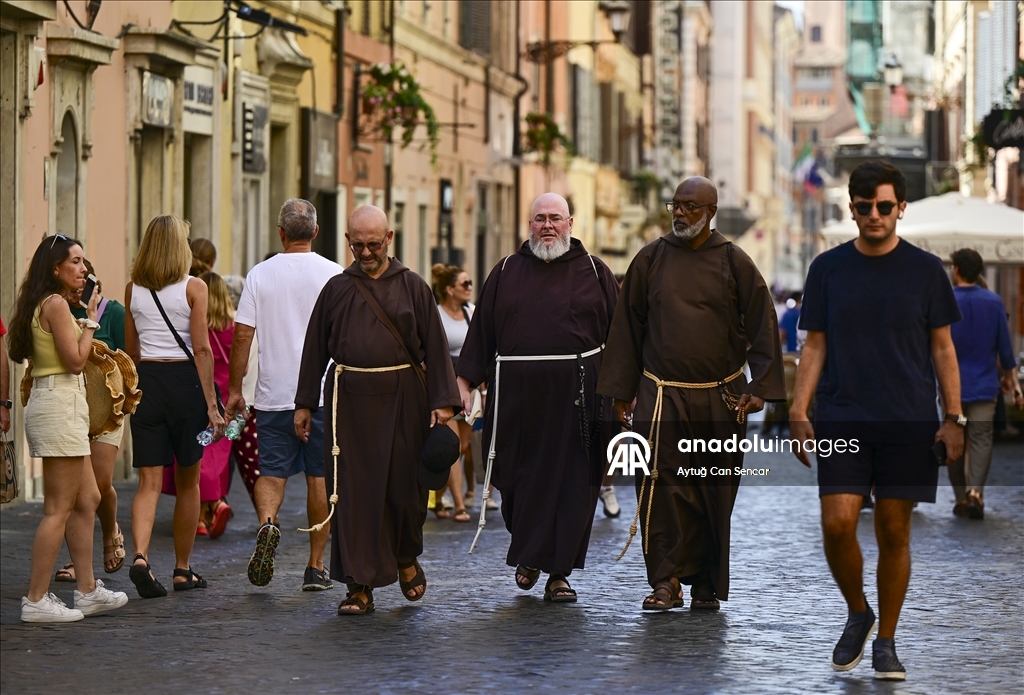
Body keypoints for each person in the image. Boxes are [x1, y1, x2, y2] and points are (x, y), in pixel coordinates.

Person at [790, 161, 964, 681]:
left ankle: (885, 639)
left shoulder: (927, 271)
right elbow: (814, 344)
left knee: (893, 530)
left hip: (909, 420)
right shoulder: (827, 268)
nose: (873, 215)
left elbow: (944, 349)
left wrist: (953, 418)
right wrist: (799, 409)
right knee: (837, 523)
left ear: (900, 209)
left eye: (883, 206)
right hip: (843, 415)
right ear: (852, 209)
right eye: (863, 207)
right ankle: (858, 611)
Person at [598, 177, 785, 612]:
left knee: (711, 491)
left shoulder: (735, 261)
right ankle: (666, 580)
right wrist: (622, 393)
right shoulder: (651, 259)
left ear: (711, 212)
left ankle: (704, 579)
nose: (679, 213)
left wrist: (761, 388)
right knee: (660, 487)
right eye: (675, 205)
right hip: (660, 395)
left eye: (689, 206)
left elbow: (763, 323)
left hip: (720, 397)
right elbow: (627, 326)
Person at [295, 205, 460, 615]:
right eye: (357, 244)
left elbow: (437, 348)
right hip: (347, 404)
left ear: (389, 239)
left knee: (405, 490)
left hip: (405, 399)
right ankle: (359, 585)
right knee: (352, 495)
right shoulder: (336, 288)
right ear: (348, 240)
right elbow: (314, 347)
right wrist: (303, 403)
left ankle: (405, 556)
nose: (365, 252)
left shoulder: (414, 287)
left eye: (372, 244)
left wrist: (442, 403)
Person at [457, 193, 619, 603]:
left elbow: (621, 340)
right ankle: (529, 554)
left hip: (580, 402)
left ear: (570, 223)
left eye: (555, 219)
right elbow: (481, 336)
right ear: (528, 225)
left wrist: (625, 393)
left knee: (574, 487)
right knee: (518, 479)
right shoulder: (506, 271)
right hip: (518, 401)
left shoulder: (596, 273)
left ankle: (559, 573)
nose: (547, 226)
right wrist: (464, 383)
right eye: (539, 219)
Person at [8, 234, 128, 622]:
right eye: (74, 262)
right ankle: (36, 599)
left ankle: (88, 590)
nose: (83, 269)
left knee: (88, 497)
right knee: (58, 508)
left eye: (83, 261)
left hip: (62, 403)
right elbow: (76, 361)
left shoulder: (48, 304)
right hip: (59, 402)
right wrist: (90, 320)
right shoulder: (57, 304)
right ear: (55, 268)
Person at [225, 198, 343, 592]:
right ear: (315, 232)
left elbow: (243, 334)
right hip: (323, 394)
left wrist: (236, 388)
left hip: (274, 394)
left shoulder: (260, 274)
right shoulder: (334, 274)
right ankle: (315, 566)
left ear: (280, 233)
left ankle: (268, 524)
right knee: (319, 476)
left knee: (272, 471)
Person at [126, 216, 226, 598]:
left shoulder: (133, 289)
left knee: (148, 483)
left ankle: (140, 557)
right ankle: (182, 569)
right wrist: (211, 405)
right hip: (185, 385)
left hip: (148, 383)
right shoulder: (194, 287)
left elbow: (132, 352)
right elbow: (201, 349)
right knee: (189, 481)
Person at [54, 259, 129, 582]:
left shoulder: (113, 313)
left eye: (82, 285)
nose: (76, 293)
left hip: (107, 412)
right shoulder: (58, 313)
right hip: (71, 411)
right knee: (75, 491)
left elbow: (128, 361)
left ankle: (110, 526)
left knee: (99, 485)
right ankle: (77, 561)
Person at [948, 248, 1022, 519]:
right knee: (980, 439)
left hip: (950, 387)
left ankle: (959, 497)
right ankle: (975, 493)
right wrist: (1012, 382)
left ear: (956, 269)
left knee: (954, 439)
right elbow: (1005, 348)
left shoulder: (946, 300)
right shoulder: (993, 302)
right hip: (983, 385)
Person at [161, 271, 235, 538]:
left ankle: (202, 518)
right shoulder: (232, 329)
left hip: (197, 395)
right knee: (217, 458)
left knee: (197, 458)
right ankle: (214, 504)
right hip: (225, 400)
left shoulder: (194, 326)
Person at [431, 263, 475, 523]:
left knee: (463, 448)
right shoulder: (436, 315)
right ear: (449, 290)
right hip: (446, 385)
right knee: (455, 445)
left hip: (469, 385)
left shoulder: (472, 312)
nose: (470, 288)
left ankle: (437, 497)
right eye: (465, 284)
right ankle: (459, 505)